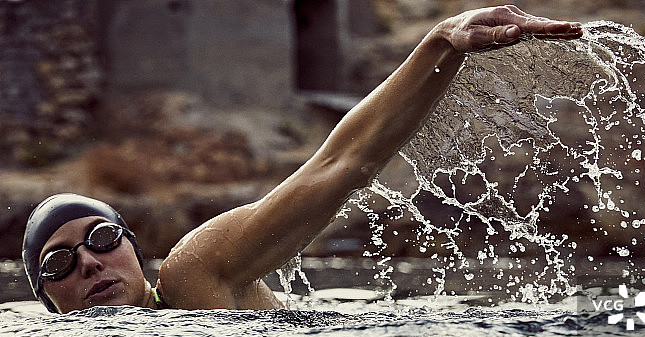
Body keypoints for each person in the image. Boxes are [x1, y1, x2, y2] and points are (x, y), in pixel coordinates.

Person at [22, 5, 583, 313]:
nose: (89, 264)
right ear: (45, 302)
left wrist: (439, 45)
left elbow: (339, 164)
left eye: (100, 239)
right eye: (57, 264)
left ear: (131, 245)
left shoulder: (196, 273)